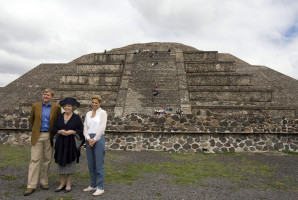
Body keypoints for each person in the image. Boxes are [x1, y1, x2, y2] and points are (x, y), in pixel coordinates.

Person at [24, 88, 61, 196]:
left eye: (48, 95)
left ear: (52, 97)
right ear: (42, 95)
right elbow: (32, 119)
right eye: (44, 94)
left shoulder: (56, 107)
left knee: (47, 160)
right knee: (34, 160)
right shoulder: (35, 106)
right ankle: (31, 185)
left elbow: (58, 120)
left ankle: (44, 181)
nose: (46, 96)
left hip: (49, 135)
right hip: (38, 135)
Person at [52, 97, 84, 193]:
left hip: (71, 144)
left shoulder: (76, 118)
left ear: (73, 107)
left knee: (70, 163)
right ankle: (62, 184)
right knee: (60, 163)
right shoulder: (59, 117)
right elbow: (54, 129)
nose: (67, 107)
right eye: (65, 106)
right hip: (61, 143)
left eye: (69, 106)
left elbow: (81, 130)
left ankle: (68, 184)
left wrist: (73, 132)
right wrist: (59, 131)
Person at [83, 95, 107, 196]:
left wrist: (95, 139)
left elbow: (102, 127)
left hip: (98, 138)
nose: (94, 104)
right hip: (89, 139)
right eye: (92, 102)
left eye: (96, 103)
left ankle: (100, 187)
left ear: (99, 103)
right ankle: (93, 185)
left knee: (99, 163)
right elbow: (85, 127)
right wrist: (88, 138)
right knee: (91, 163)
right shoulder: (88, 113)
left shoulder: (102, 112)